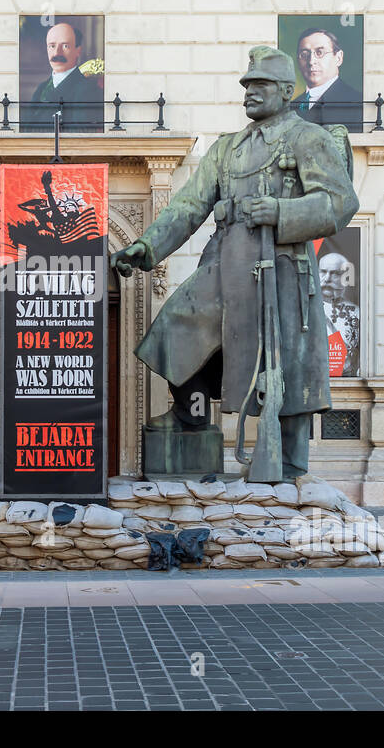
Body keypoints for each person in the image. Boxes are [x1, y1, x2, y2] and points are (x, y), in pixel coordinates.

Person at [112, 45, 359, 483]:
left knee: (286, 368)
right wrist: (146, 247)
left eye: (260, 85)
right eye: (247, 85)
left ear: (286, 91)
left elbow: (340, 203)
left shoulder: (308, 139)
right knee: (174, 328)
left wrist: (282, 213)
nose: (250, 92)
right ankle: (189, 416)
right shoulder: (227, 149)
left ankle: (289, 467)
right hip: (225, 264)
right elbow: (187, 207)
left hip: (279, 270)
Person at [21, 21, 104, 133]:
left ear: (78, 50)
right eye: (52, 46)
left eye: (65, 46)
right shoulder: (41, 88)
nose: (57, 53)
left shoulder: (89, 90)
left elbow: (82, 138)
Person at [290, 27, 363, 130]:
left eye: (319, 52)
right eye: (305, 54)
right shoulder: (291, 108)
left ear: (338, 58)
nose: (311, 61)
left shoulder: (357, 103)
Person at [319, 250, 359, 378]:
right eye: (323, 272)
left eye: (335, 273)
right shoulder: (304, 310)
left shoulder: (357, 312)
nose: (327, 279)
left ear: (346, 277)